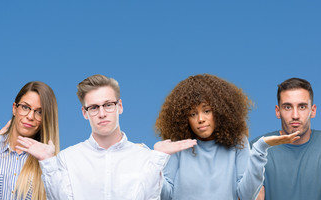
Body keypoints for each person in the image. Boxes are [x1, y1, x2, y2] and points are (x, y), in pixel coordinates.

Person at [17, 74, 197, 200]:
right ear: (84, 113)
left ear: (119, 106)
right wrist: (48, 162)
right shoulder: (68, 159)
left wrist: (158, 157)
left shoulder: (144, 157)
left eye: (108, 105)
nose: (102, 113)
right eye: (94, 107)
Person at [155, 74, 300, 200]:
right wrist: (156, 162)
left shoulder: (237, 141)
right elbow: (166, 196)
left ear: (219, 110)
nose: (200, 119)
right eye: (193, 114)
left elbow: (246, 196)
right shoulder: (177, 144)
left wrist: (260, 149)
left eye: (207, 111)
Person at [251, 77, 321, 200]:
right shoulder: (259, 147)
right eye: (288, 107)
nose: (295, 115)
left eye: (302, 107)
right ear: (278, 111)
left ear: (312, 110)